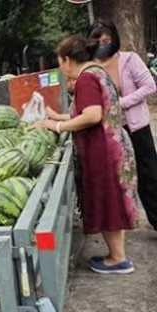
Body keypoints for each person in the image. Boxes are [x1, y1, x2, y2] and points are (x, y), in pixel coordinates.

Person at [38, 35, 139, 274]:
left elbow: (92, 115)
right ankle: (117, 254)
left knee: (108, 203)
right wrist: (56, 117)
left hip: (103, 153)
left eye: (59, 62)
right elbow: (85, 111)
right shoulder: (97, 71)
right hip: (111, 148)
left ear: (67, 60)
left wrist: (58, 127)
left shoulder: (86, 79)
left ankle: (118, 259)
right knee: (112, 202)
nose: (60, 68)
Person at [88, 20, 157, 231]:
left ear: (114, 39)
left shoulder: (129, 59)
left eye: (106, 39)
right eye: (97, 40)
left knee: (149, 176)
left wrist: (120, 104)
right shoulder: (91, 67)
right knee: (119, 181)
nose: (102, 43)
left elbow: (150, 86)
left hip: (136, 128)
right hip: (111, 133)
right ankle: (125, 224)